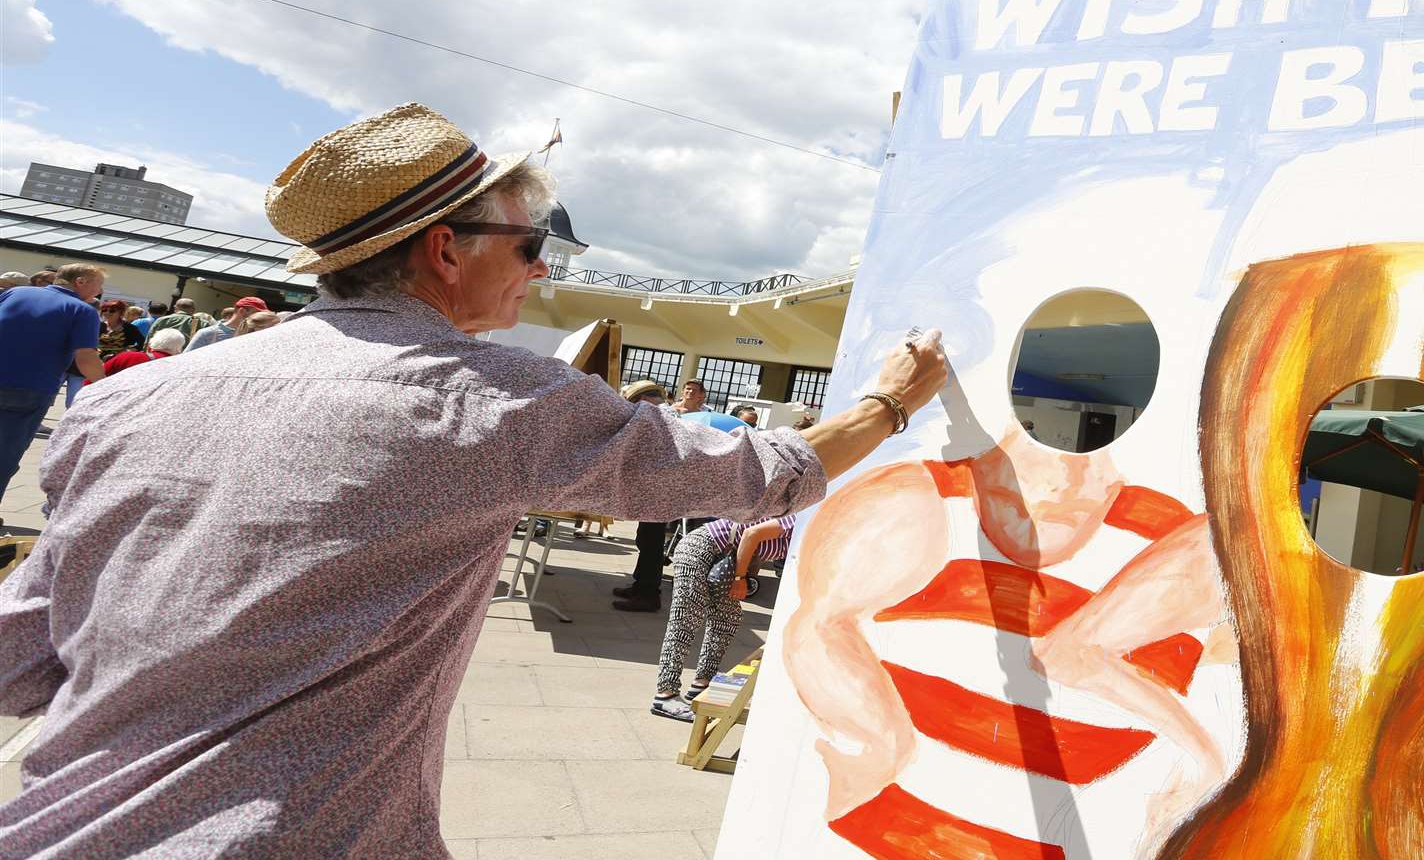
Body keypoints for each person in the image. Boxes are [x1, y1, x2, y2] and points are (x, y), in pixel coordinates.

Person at [0, 102, 947, 857]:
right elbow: (761, 473)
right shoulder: (490, 401)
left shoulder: (135, 400)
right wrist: (889, 403)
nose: (540, 271)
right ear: (445, 249)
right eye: (531, 245)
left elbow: (27, 654)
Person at [651, 513, 797, 722]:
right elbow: (751, 534)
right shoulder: (798, 518)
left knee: (728, 618)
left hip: (721, 557)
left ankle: (702, 683)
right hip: (699, 549)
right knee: (686, 619)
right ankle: (665, 695)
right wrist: (739, 578)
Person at [0, 263, 105, 496]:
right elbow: (86, 357)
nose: (99, 291)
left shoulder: (16, 292)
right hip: (29, 388)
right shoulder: (83, 310)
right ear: (81, 282)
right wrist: (108, 386)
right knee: (5, 453)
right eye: (99, 285)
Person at [614, 379, 673, 612]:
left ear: (645, 400)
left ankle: (649, 594)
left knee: (652, 543)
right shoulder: (662, 414)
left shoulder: (662, 417)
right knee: (646, 539)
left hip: (661, 489)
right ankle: (641, 585)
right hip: (657, 488)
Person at [184, 296, 270, 352]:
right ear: (242, 311)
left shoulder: (254, 336)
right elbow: (185, 361)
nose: (260, 318)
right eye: (256, 313)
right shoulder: (207, 334)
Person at [102, 328, 186, 377]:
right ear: (179, 348)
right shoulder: (179, 369)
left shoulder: (128, 356)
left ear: (151, 343)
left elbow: (93, 379)